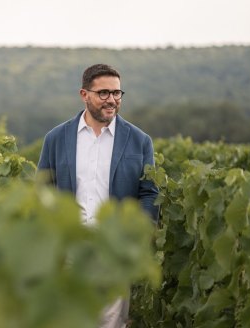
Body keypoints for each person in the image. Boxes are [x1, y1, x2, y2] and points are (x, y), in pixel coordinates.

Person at [37, 64, 159, 327]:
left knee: (111, 323)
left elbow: (149, 193)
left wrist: (137, 235)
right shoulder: (56, 138)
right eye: (103, 93)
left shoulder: (140, 141)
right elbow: (43, 190)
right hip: (69, 247)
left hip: (113, 248)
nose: (112, 100)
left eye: (117, 93)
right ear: (84, 94)